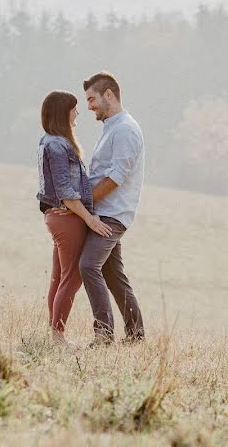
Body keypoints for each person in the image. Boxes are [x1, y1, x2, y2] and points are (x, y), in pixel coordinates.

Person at [37, 90, 112, 344]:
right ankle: (57, 336)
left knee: (60, 277)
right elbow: (64, 189)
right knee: (72, 277)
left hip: (58, 216)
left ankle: (53, 333)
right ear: (63, 113)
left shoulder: (47, 141)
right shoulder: (58, 145)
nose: (77, 113)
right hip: (67, 219)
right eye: (74, 109)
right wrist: (89, 219)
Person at [79, 71, 146, 344]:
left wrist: (84, 205)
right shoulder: (111, 128)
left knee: (88, 266)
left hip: (112, 215)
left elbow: (116, 176)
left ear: (109, 95)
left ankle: (104, 335)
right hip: (104, 211)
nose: (89, 106)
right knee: (112, 274)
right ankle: (136, 335)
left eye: (92, 98)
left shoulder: (126, 129)